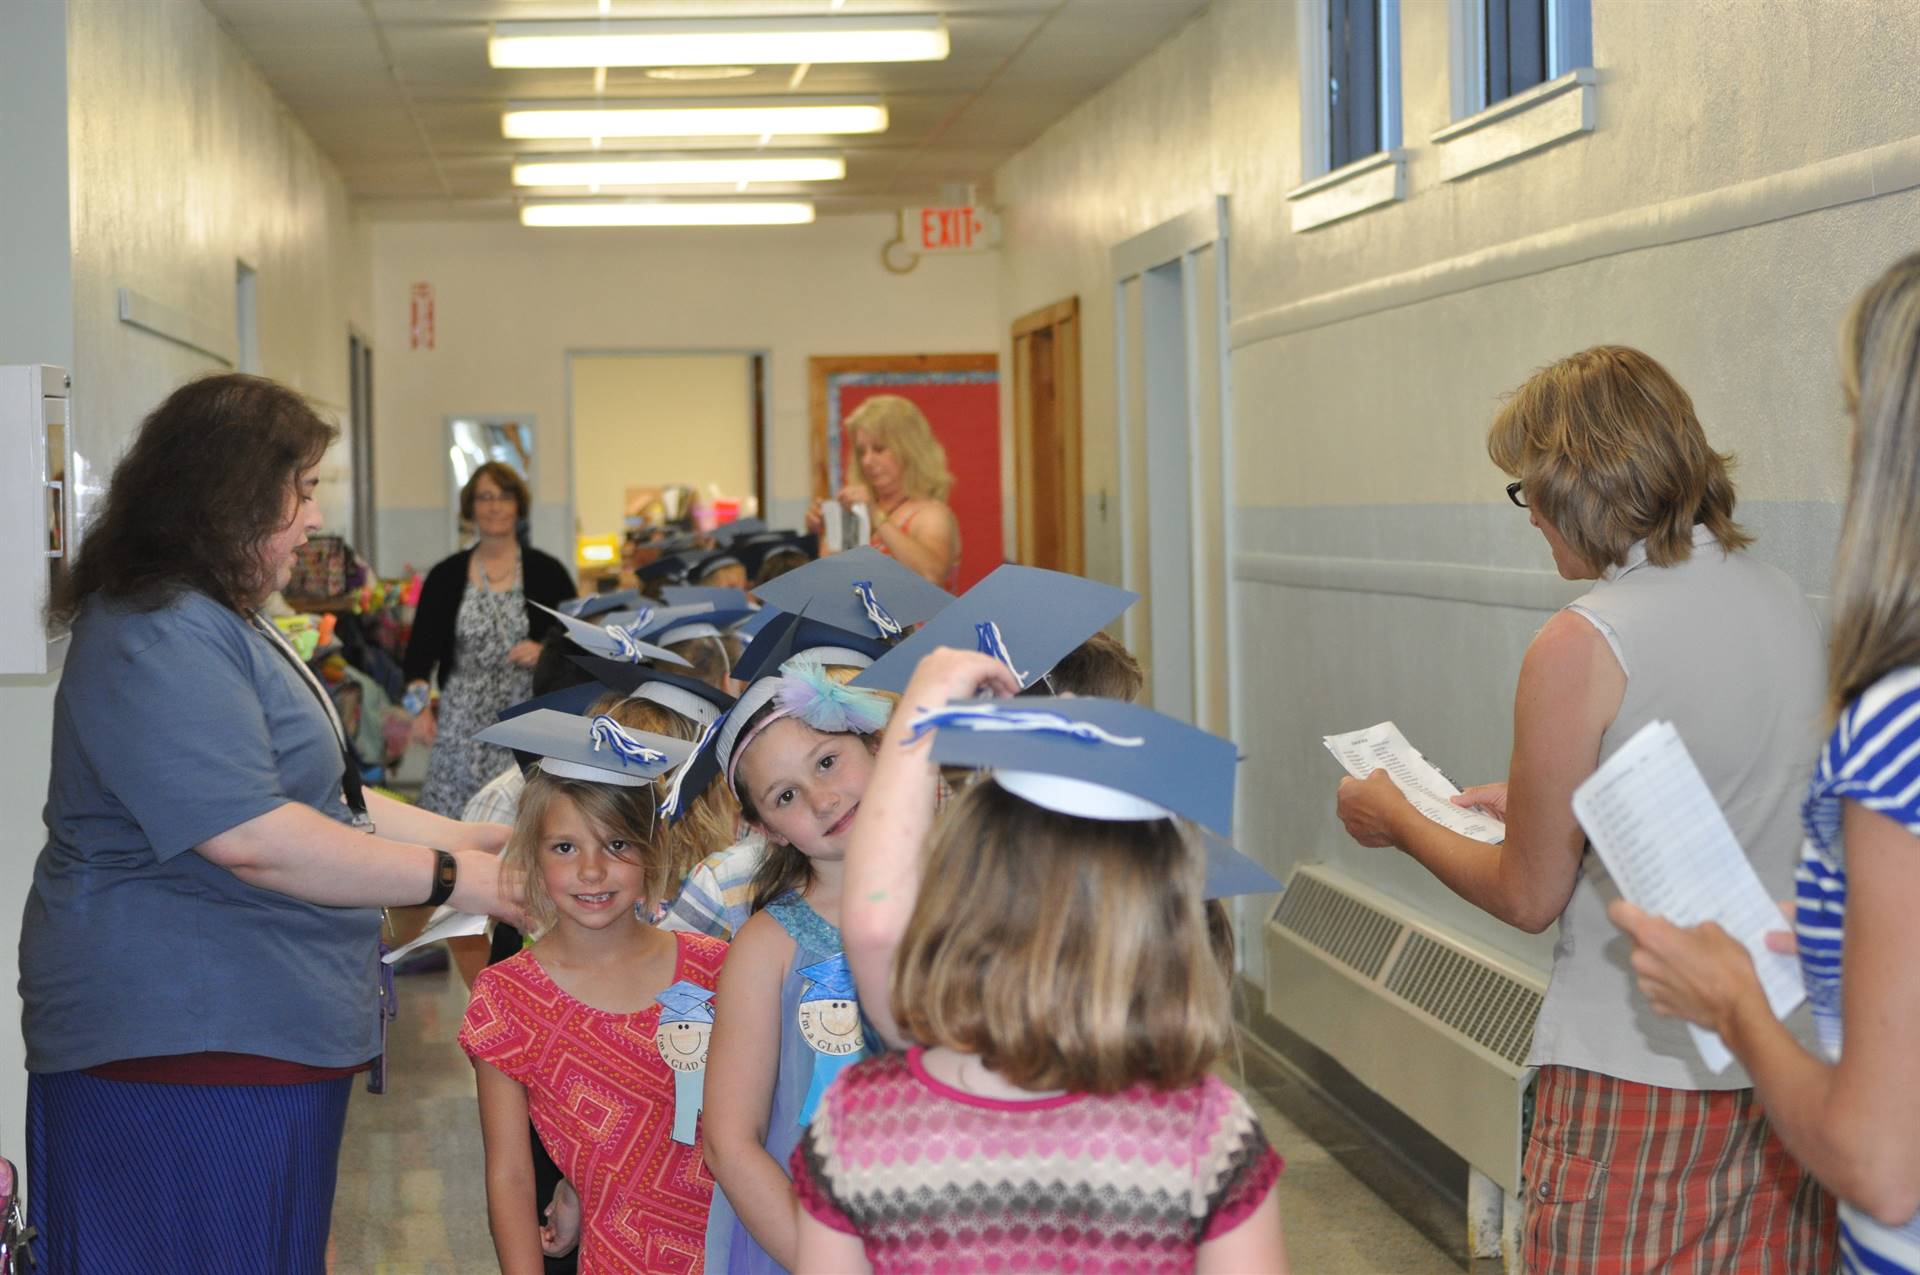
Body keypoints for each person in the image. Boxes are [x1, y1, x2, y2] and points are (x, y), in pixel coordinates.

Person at [1333, 346, 1835, 1271]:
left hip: (1636, 1067)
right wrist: (1531, 803)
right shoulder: (1786, 603)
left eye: (1527, 490)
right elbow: (1726, 794)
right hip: (1784, 1062)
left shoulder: (1584, 639)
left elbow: (1529, 895)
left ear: (1579, 485)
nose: (1528, 517)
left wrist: (1398, 818)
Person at [19, 373, 518, 1273]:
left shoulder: (218, 615)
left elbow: (329, 799)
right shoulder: (155, 627)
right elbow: (252, 835)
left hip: (252, 1032)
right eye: (303, 488)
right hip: (180, 1044)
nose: (311, 517)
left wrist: (468, 837)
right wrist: (461, 880)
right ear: (233, 494)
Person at [1609, 257, 1920, 1272]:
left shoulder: (1898, 721)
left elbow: (1882, 1164)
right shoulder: (1782, 600)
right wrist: (1842, 947)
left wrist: (1736, 1006)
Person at [806, 650, 1287, 1274]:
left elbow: (873, 928)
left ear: (956, 896)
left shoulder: (863, 1121)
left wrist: (921, 712)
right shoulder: (1207, 1135)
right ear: (1169, 929)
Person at [459, 709, 727, 1274]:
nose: (591, 870)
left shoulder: (715, 970)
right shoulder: (507, 998)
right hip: (619, 1260)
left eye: (617, 845)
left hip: (741, 1249)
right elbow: (509, 1173)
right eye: (564, 848)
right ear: (531, 856)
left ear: (653, 851)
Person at [702, 658, 895, 1273]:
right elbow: (730, 1142)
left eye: (828, 761)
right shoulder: (767, 948)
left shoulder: (975, 898)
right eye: (786, 796)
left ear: (875, 743)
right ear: (767, 830)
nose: (822, 798)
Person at [405, 462, 575, 817]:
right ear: (471, 508)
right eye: (485, 497)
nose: (495, 506)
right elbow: (417, 658)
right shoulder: (445, 576)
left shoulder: (549, 572)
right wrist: (418, 710)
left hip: (528, 723)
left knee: (524, 821)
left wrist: (546, 651)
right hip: (460, 726)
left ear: (518, 506)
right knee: (452, 824)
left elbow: (579, 644)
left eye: (504, 496)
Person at [806, 395, 960, 588]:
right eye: (862, 452)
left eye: (879, 449)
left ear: (909, 449)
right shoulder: (856, 511)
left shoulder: (932, 514)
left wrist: (875, 516)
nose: (867, 461)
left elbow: (930, 574)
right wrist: (826, 531)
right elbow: (833, 583)